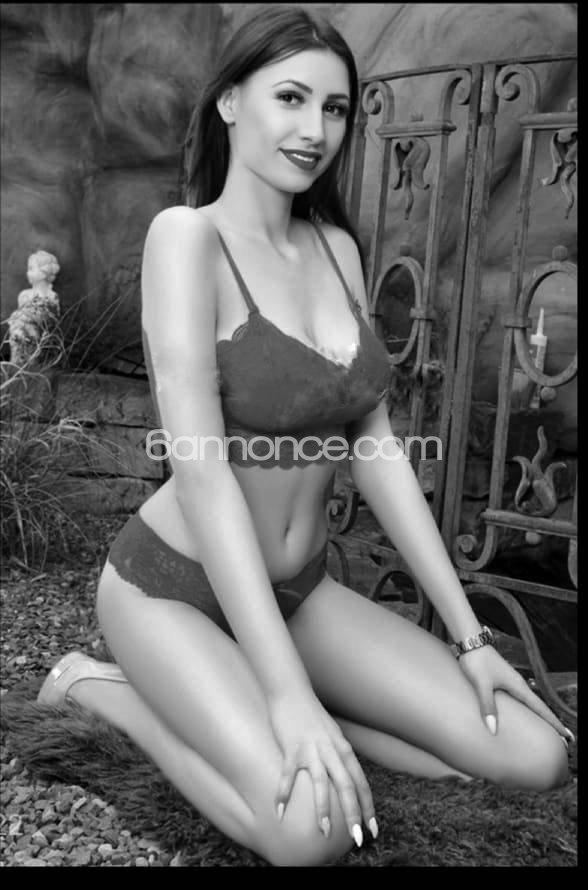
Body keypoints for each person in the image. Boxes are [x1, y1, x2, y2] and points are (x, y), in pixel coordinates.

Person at [38, 5, 572, 868]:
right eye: (290, 97)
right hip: (174, 589)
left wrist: (471, 637)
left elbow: (375, 445)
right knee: (307, 834)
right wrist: (287, 697)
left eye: (334, 109)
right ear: (230, 102)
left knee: (534, 757)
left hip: (300, 592)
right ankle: (100, 687)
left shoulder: (334, 249)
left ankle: (296, 701)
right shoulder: (188, 239)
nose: (315, 129)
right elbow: (202, 474)